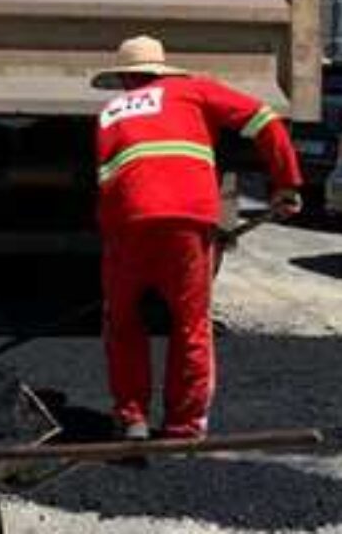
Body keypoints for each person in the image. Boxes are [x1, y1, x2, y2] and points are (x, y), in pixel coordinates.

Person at [91, 35, 302, 441]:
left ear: (124, 80)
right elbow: (264, 120)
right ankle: (183, 427)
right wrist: (286, 183)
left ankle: (131, 416)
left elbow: (109, 181)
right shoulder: (193, 89)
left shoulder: (109, 112)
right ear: (160, 70)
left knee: (123, 323)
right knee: (189, 324)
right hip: (186, 222)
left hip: (126, 225)